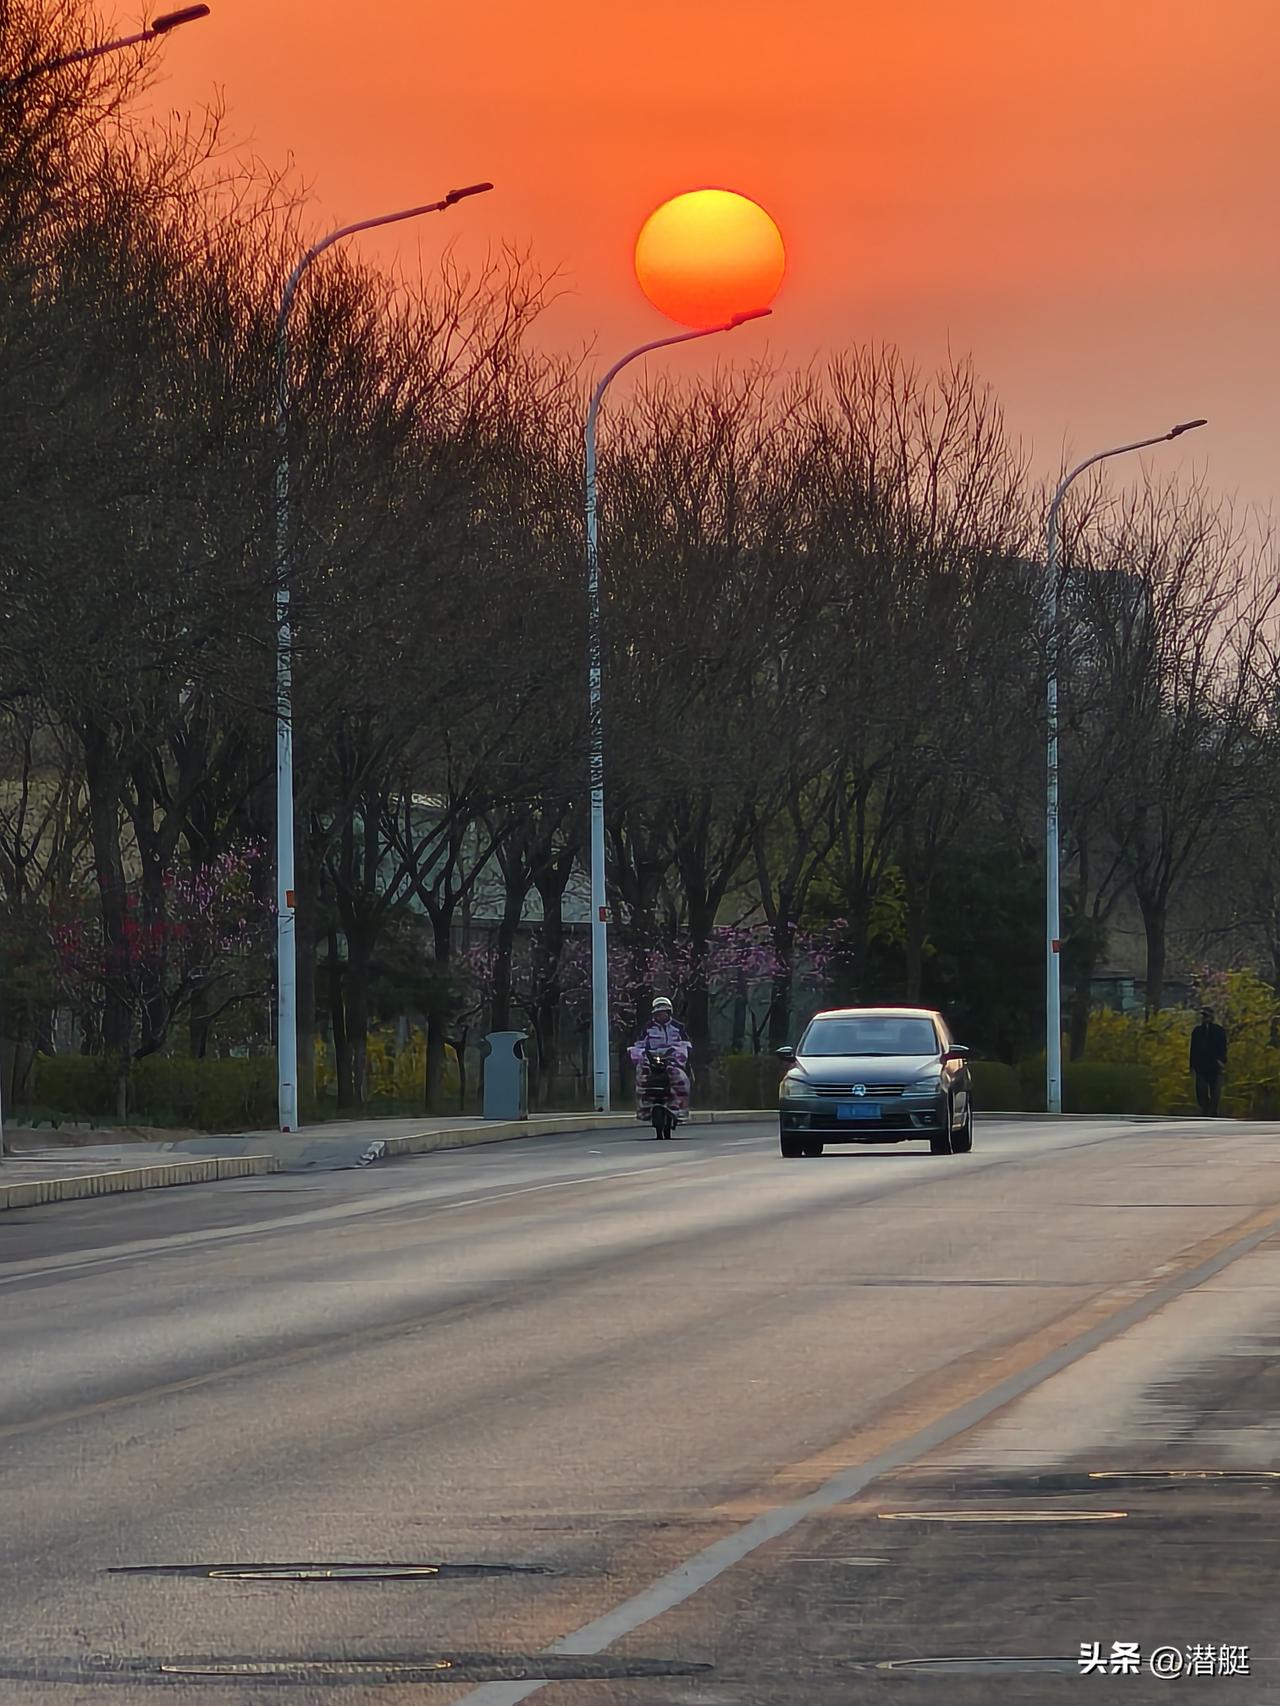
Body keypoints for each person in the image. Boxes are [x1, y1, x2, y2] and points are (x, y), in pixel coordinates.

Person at [628, 996, 691, 1123]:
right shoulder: (647, 1027)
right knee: (641, 1076)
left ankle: (680, 1110)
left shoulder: (678, 1027)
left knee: (680, 1079)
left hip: (672, 1060)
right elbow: (639, 1044)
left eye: (664, 1012)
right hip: (651, 1060)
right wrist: (639, 1055)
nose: (661, 1015)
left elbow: (686, 1044)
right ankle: (643, 1110)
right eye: (658, 1013)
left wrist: (679, 1053)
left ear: (669, 1012)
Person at [1189, 1006, 1228, 1116]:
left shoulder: (1219, 1031)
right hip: (1201, 1066)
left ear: (1211, 1017)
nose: (1204, 1018)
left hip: (1215, 1065)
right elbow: (1193, 1049)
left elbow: (1223, 1047)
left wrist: (1222, 1061)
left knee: (1215, 1092)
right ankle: (1204, 1110)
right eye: (1203, 1016)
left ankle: (1213, 1111)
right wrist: (1192, 1066)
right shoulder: (1197, 1031)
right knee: (1201, 1090)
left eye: (1206, 1015)